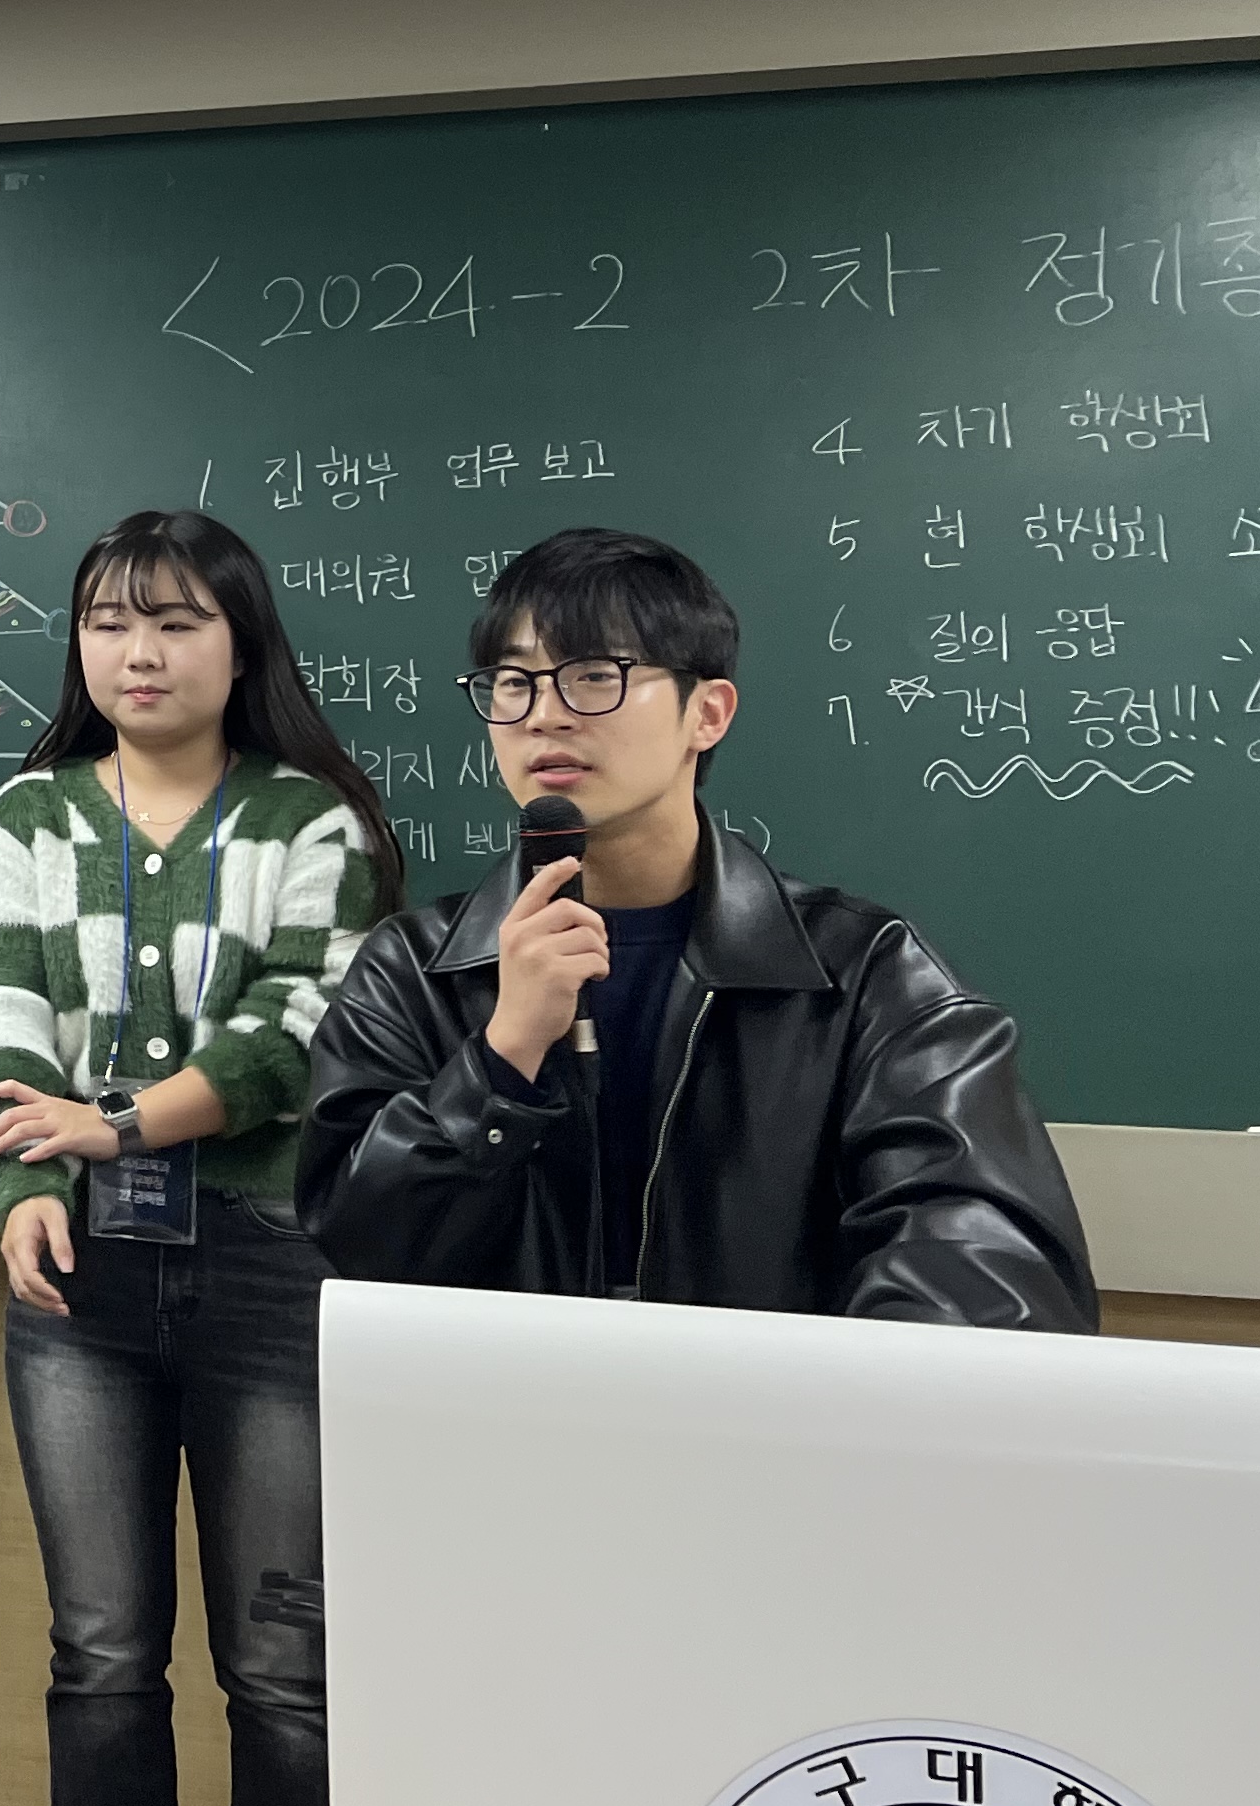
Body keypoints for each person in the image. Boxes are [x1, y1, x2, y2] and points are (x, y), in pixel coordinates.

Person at [0, 510, 401, 1806]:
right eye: (109, 623)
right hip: (77, 1278)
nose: (138, 653)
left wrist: (113, 1125)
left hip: (272, 1269)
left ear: (241, 643)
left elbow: (299, 1031)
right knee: (99, 1654)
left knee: (282, 1667)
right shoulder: (25, 819)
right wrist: (21, 1181)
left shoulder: (312, 823)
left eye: (176, 622)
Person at [302, 527, 1093, 1326]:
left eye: (593, 675)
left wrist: (829, 1386)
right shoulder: (414, 969)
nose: (543, 715)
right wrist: (501, 1061)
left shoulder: (863, 974)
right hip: (505, 1399)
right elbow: (361, 1246)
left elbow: (982, 1252)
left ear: (707, 714)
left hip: (764, 1401)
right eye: (514, 682)